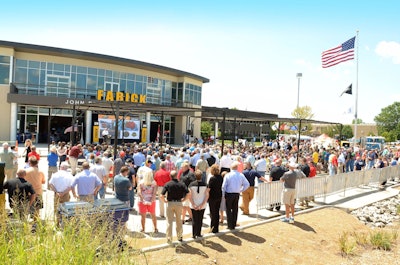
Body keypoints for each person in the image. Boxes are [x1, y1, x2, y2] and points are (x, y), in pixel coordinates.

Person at [160, 170, 189, 244]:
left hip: (170, 203)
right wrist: (184, 199)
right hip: (179, 203)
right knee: (179, 221)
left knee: (169, 222)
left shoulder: (168, 184)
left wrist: (164, 201)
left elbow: (161, 195)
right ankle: (179, 236)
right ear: (177, 176)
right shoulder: (181, 184)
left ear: (170, 176)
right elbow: (188, 193)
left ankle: (169, 238)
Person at [222, 161, 250, 230]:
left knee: (228, 210)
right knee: (235, 209)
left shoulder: (228, 175)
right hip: (236, 193)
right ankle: (234, 224)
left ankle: (230, 225)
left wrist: (223, 195)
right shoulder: (240, 175)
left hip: (229, 194)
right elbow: (247, 184)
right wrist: (241, 190)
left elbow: (224, 186)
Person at [24, 156, 45, 231]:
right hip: (38, 192)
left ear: (29, 162)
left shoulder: (26, 171)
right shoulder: (40, 172)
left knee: (27, 208)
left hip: (29, 193)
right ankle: (35, 224)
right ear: (37, 162)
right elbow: (43, 181)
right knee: (37, 208)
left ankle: (26, 224)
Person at [188, 170, 209, 239]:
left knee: (194, 219)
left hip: (194, 204)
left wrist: (193, 204)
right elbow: (206, 195)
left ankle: (194, 234)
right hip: (202, 205)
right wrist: (202, 204)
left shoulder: (191, 185)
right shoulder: (205, 185)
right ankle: (198, 233)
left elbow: (190, 196)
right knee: (200, 219)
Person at [207, 164, 223, 233]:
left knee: (213, 213)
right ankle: (216, 227)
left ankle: (213, 227)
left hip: (212, 197)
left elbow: (209, 189)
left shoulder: (212, 178)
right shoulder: (221, 177)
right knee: (216, 212)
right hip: (219, 196)